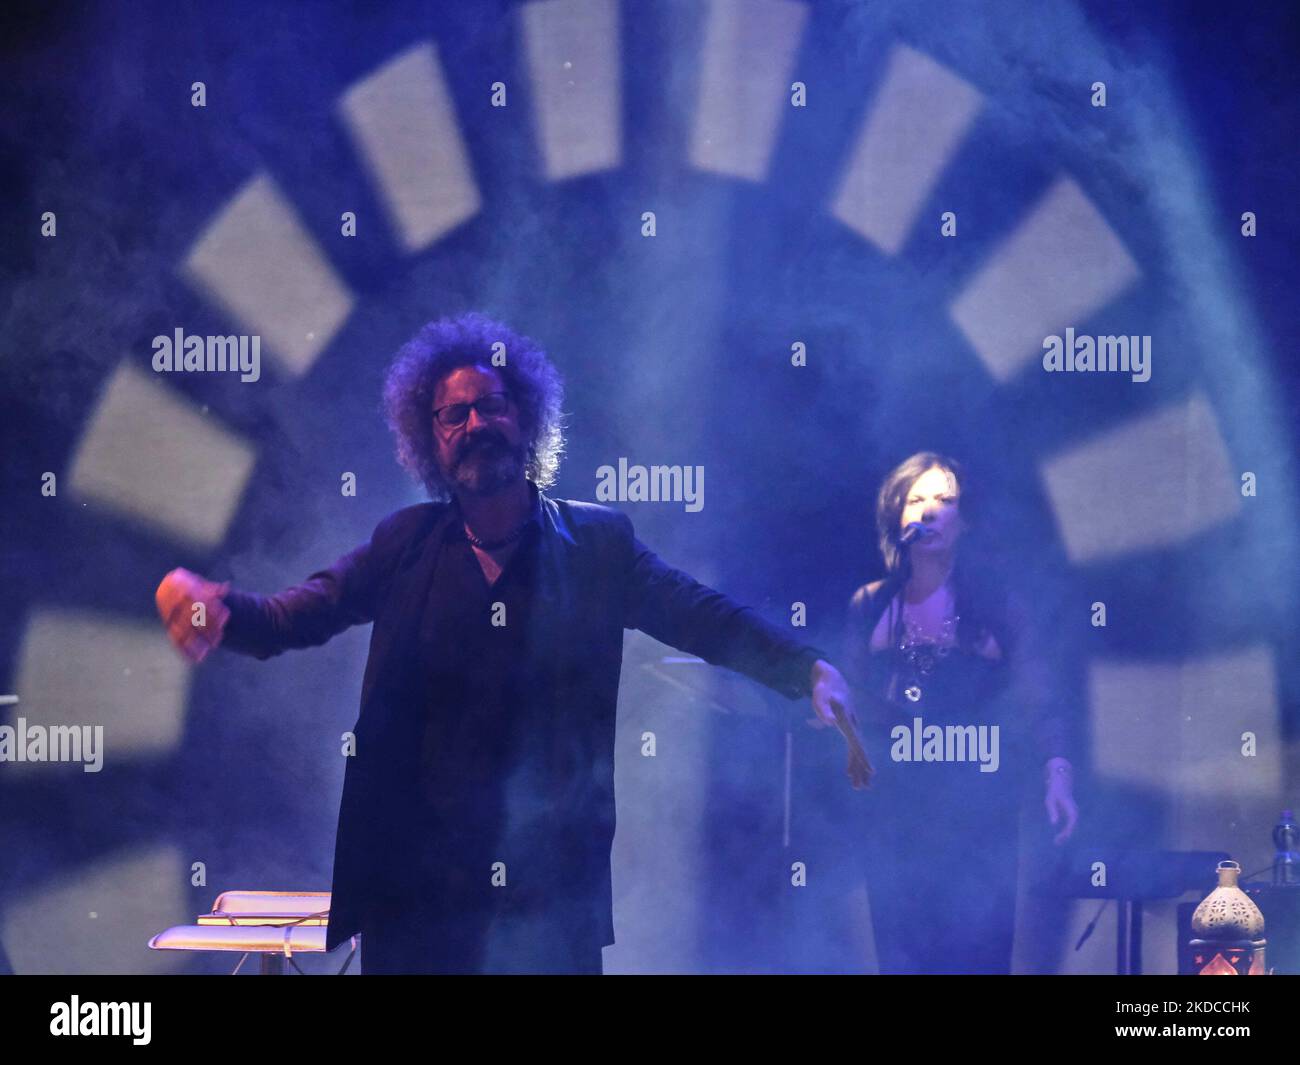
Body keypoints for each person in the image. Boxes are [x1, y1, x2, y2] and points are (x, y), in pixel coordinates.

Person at [154, 311, 870, 974]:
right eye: (453, 414)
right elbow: (299, 613)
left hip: (547, 895)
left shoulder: (594, 544)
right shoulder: (404, 544)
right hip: (418, 895)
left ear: (525, 419)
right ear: (429, 439)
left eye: (490, 405)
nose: (474, 423)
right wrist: (216, 610)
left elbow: (699, 613)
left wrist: (802, 668)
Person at [838, 452, 1078, 974]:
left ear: (963, 520)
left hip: (978, 805)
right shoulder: (871, 603)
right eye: (915, 500)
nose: (928, 512)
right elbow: (846, 704)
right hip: (897, 808)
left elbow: (1040, 696)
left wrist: (1057, 775)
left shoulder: (996, 604)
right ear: (895, 517)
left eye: (944, 501)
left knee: (977, 949)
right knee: (901, 951)